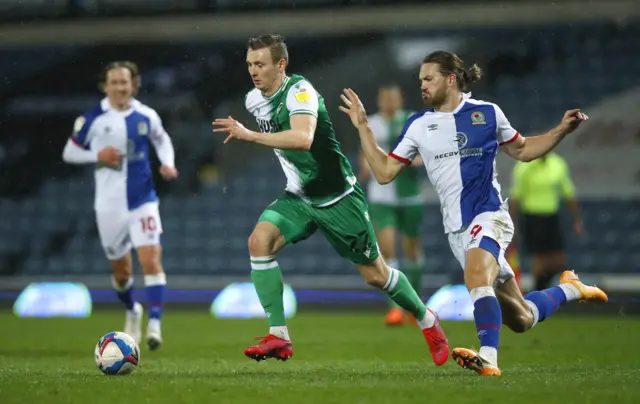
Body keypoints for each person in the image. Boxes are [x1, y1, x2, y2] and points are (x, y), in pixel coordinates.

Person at [339, 50, 607, 376]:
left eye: (428, 78)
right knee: (521, 318)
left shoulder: (487, 113)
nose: (421, 86)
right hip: (456, 230)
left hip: (489, 214)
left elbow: (521, 149)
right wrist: (363, 127)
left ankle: (488, 358)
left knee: (477, 277)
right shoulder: (419, 125)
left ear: (450, 78)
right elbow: (383, 172)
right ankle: (571, 288)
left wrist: (560, 131)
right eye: (420, 80)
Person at [211, 34, 449, 365]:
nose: (253, 70)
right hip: (299, 196)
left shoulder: (300, 91)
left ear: (281, 65)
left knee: (377, 276)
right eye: (250, 64)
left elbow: (303, 138)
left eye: (260, 64)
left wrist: (250, 135)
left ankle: (427, 319)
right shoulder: (254, 100)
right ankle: (279, 336)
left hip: (339, 198)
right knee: (258, 241)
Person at [62, 61, 178, 350]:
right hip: (109, 205)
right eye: (114, 82)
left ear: (134, 85)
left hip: (143, 201)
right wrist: (97, 155)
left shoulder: (145, 115)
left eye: (124, 82)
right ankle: (132, 310)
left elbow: (162, 139)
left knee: (151, 259)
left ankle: (154, 324)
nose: (119, 87)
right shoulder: (93, 118)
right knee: (121, 273)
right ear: (105, 86)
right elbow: (69, 152)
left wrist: (167, 163)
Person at [358, 84, 426, 326]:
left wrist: (416, 161)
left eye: (392, 97)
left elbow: (424, 151)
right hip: (381, 198)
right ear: (378, 99)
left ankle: (414, 304)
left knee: (412, 251)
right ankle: (394, 308)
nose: (388, 101)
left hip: (410, 197)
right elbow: (364, 153)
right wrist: (365, 168)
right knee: (387, 250)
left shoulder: (412, 121)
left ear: (400, 98)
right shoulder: (371, 123)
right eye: (384, 96)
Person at [509, 151, 583, 291]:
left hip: (552, 217)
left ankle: (541, 288)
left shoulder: (558, 164)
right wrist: (513, 223)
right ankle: (539, 293)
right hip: (532, 217)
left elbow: (569, 193)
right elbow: (516, 197)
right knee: (539, 259)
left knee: (559, 260)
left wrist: (576, 220)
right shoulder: (524, 166)